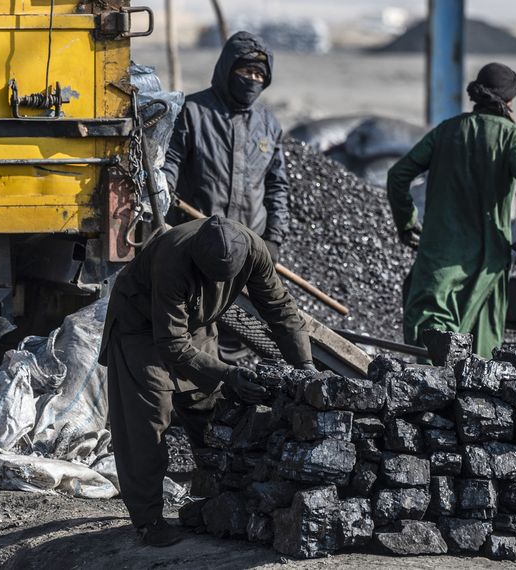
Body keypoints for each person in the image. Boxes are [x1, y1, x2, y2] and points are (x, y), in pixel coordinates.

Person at [98, 216, 314, 547]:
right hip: (139, 325)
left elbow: (282, 311)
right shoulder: (173, 259)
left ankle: (219, 501)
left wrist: (306, 368)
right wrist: (227, 373)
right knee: (149, 417)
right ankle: (148, 520)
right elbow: (171, 343)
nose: (219, 284)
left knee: (208, 408)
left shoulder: (253, 250)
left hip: (197, 323)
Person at [386, 62, 516, 358]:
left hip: (440, 258)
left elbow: (398, 175)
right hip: (488, 264)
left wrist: (407, 222)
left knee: (430, 349)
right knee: (482, 357)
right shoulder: (513, 137)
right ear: (509, 102)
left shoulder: (447, 131)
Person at [162, 31, 289, 264]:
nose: (252, 79)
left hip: (249, 245)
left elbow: (276, 186)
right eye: (246, 71)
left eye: (259, 75)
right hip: (195, 238)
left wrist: (273, 237)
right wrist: (165, 189)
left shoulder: (268, 124)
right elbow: (171, 159)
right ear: (228, 70)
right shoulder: (193, 111)